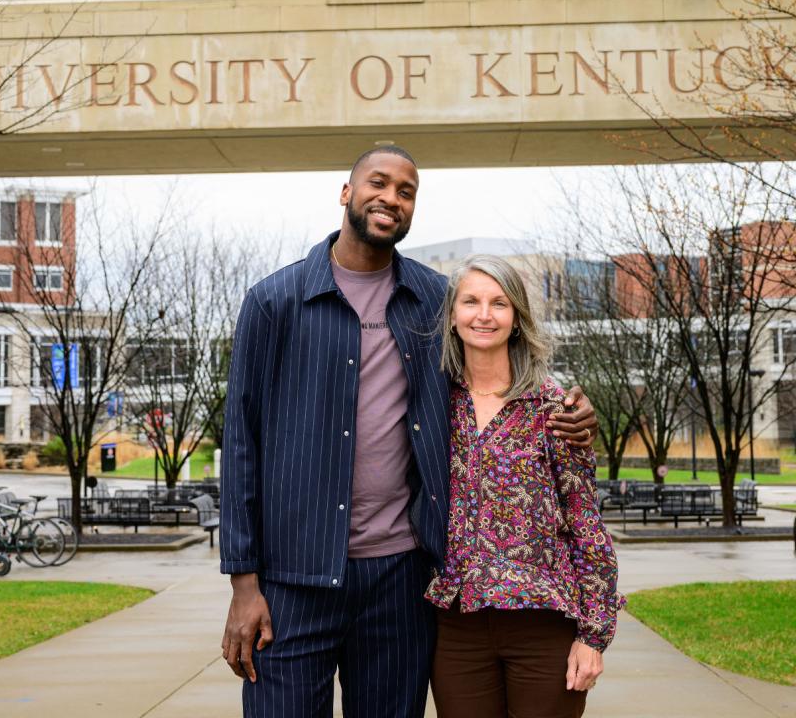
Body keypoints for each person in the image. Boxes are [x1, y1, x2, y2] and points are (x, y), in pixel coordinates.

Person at [219, 145, 599, 718]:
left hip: (401, 577)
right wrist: (243, 586)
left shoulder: (432, 299)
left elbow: (494, 350)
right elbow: (242, 445)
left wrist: (573, 401)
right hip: (293, 578)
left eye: (406, 191)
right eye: (378, 184)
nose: (390, 198)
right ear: (346, 193)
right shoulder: (275, 302)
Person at [426, 254, 623, 718]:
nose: (484, 314)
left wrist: (593, 635)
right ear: (453, 316)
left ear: (516, 318)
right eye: (470, 301)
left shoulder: (555, 407)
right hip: (458, 628)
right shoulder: (433, 404)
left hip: (544, 624)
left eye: (499, 303)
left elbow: (585, 523)